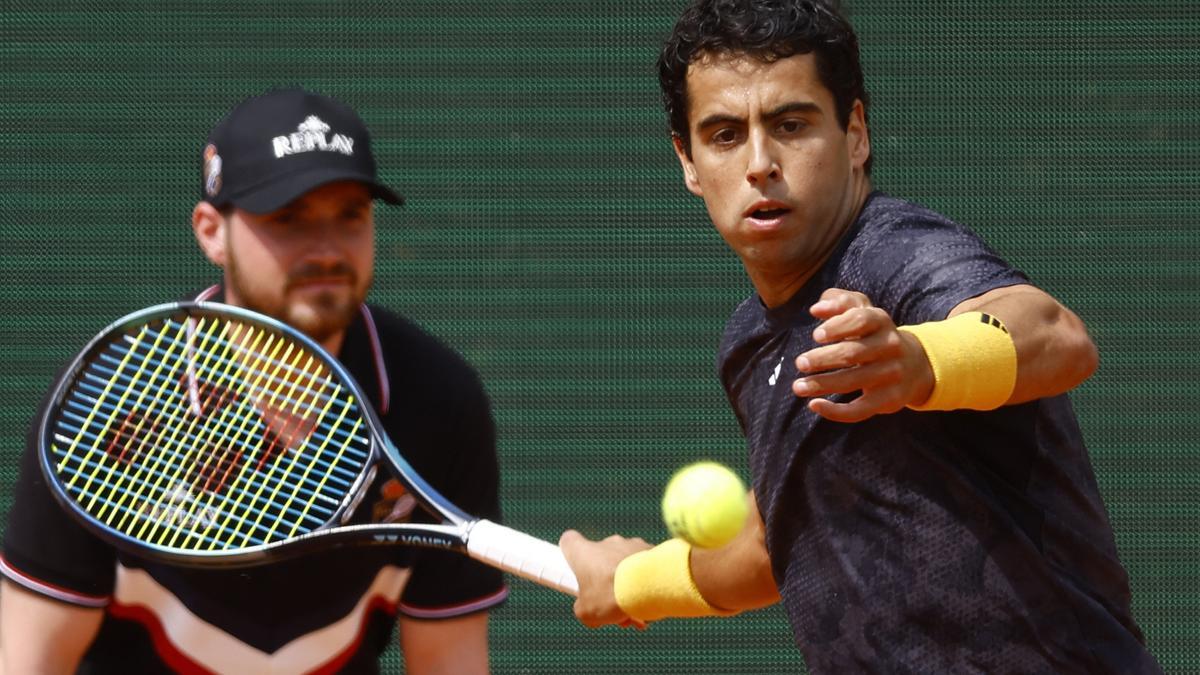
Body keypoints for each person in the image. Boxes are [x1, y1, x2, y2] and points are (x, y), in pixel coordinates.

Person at [559, 1, 1162, 672]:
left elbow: (1056, 333)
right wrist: (633, 581)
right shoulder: (748, 344)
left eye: (790, 125)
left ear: (854, 135)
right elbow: (768, 545)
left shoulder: (895, 256)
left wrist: (918, 358)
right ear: (689, 162)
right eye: (725, 134)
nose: (760, 161)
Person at [0, 88, 506, 674]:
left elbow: (449, 659)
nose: (326, 249)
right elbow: (30, 657)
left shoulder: (437, 401)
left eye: (351, 215)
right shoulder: (107, 397)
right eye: (287, 217)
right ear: (212, 231)